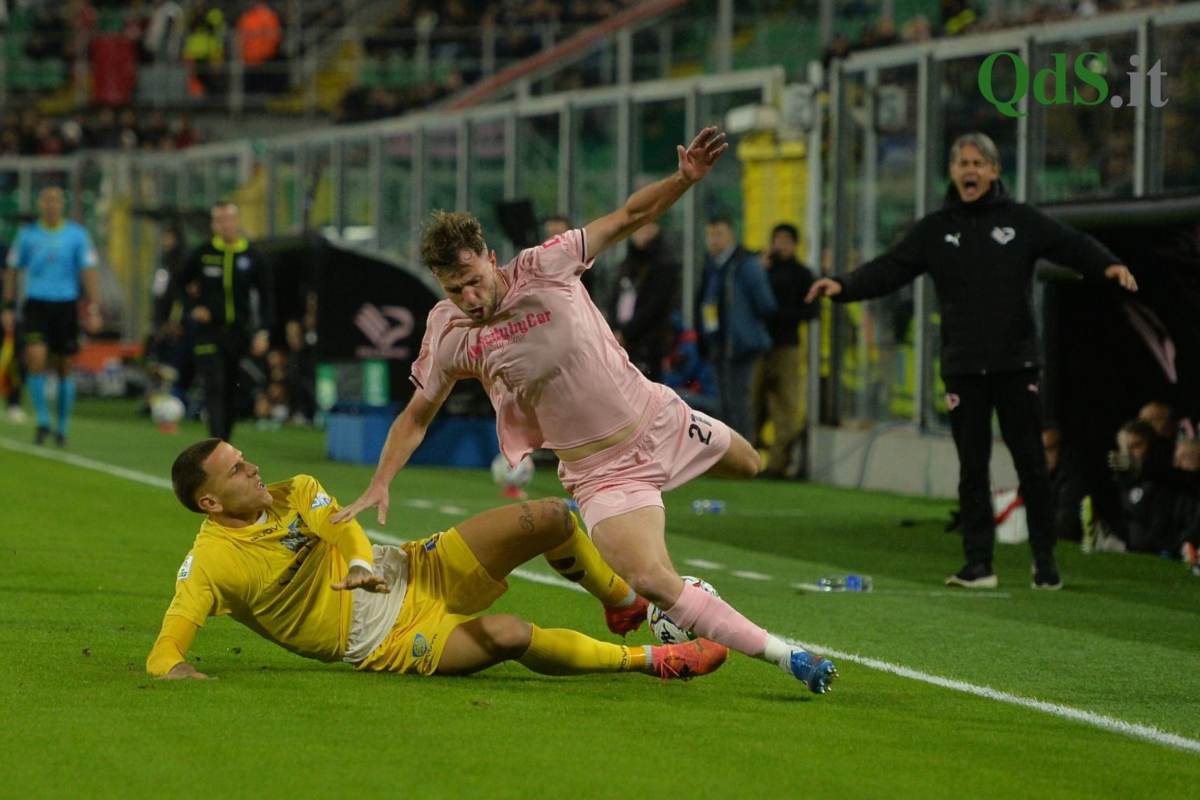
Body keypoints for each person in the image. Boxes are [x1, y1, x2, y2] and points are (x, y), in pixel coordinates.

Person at [333, 127, 838, 694]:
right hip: (603, 473)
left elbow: (627, 217)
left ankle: (662, 600)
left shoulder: (545, 264)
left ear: (490, 259)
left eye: (473, 281)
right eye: (455, 289)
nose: (469, 298)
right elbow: (417, 415)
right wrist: (381, 481)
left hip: (658, 418)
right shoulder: (448, 331)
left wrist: (683, 179)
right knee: (651, 577)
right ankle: (790, 656)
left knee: (751, 464)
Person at [807, 132, 1138, 590]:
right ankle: (979, 564)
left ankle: (1045, 565)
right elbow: (890, 269)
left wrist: (1108, 264)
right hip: (963, 365)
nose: (969, 171)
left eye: (978, 163)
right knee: (972, 468)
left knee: (1032, 465)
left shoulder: (1020, 221)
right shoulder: (935, 229)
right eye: (962, 163)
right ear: (952, 171)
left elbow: (1071, 243)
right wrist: (842, 286)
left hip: (1016, 363)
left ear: (994, 171)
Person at [148, 438, 727, 681]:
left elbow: (341, 529)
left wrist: (360, 565)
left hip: (409, 566)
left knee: (550, 515)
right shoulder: (212, 564)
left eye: (244, 458)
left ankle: (623, 602)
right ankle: (654, 658)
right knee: (509, 633)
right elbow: (165, 649)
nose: (252, 468)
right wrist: (178, 671)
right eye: (236, 470)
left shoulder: (291, 489)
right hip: (386, 639)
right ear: (210, 501)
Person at [1, 186, 101, 446]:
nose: (51, 205)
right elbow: (12, 270)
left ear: (62, 204)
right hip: (36, 304)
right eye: (46, 200)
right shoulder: (27, 235)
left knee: (64, 366)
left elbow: (88, 271)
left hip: (66, 305)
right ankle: (43, 421)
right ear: (39, 204)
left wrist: (93, 307)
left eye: (55, 200)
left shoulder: (77, 235)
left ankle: (63, 427)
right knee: (35, 359)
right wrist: (9, 306)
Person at [176, 203, 272, 442]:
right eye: (219, 220)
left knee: (232, 390)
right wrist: (193, 308)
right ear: (213, 224)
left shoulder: (252, 255)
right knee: (215, 386)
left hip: (239, 334)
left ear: (236, 220)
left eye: (228, 219)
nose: (225, 224)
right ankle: (217, 443)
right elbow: (178, 284)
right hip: (208, 333)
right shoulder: (203, 253)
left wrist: (263, 331)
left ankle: (225, 441)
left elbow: (267, 296)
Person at [696, 216, 777, 442]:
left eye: (719, 234)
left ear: (731, 235)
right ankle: (727, 452)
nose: (714, 240)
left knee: (741, 400)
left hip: (743, 344)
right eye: (710, 235)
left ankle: (746, 452)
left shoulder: (746, 265)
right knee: (724, 401)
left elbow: (766, 304)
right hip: (717, 343)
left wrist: (745, 326)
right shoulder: (711, 266)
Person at [755, 223, 817, 477]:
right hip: (758, 347)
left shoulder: (802, 274)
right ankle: (749, 460)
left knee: (787, 408)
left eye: (786, 240)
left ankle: (778, 464)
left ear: (795, 244)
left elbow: (812, 311)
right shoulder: (760, 270)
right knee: (752, 405)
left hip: (787, 347)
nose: (781, 245)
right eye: (777, 239)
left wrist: (780, 316)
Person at [610, 221, 680, 382]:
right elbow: (614, 298)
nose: (642, 233)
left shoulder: (664, 265)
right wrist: (614, 330)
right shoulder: (626, 263)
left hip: (649, 342)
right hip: (620, 339)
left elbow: (655, 306)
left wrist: (627, 332)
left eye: (648, 227)